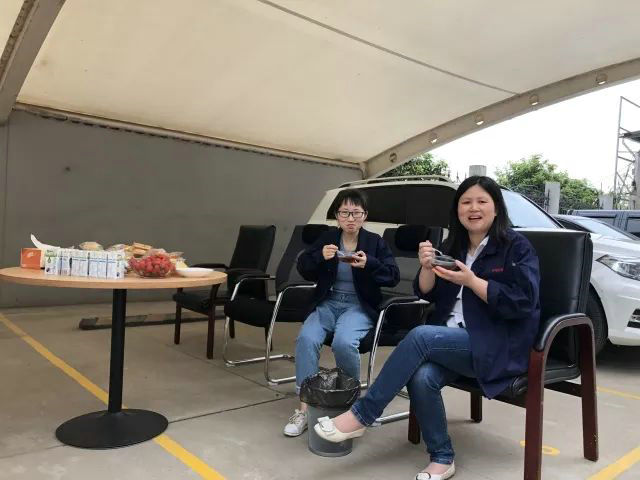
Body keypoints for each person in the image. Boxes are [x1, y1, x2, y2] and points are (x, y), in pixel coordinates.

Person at [313, 176, 541, 480]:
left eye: (481, 201)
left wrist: (472, 281)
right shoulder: (454, 245)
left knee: (421, 336)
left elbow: (523, 302)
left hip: (495, 343)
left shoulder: (516, 247)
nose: (473, 208)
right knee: (422, 377)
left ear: (496, 208)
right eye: (465, 202)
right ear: (457, 210)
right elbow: (426, 292)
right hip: (451, 339)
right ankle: (442, 457)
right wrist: (426, 266)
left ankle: (363, 414)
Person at [283, 188, 400, 437]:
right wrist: (319, 257)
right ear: (337, 216)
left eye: (356, 213)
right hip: (328, 302)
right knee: (306, 339)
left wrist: (369, 263)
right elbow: (304, 267)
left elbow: (393, 276)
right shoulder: (328, 238)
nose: (350, 218)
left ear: (365, 215)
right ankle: (305, 408)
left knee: (344, 342)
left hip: (358, 306)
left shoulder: (375, 242)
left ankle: (354, 408)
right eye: (344, 213)